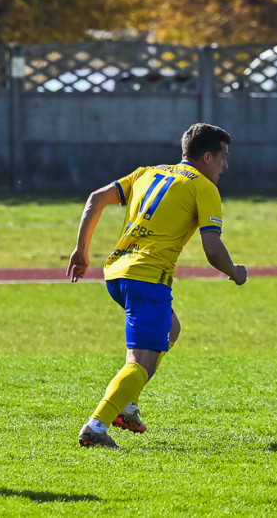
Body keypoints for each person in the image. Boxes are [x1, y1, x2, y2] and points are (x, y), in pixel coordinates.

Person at [66, 123, 247, 449]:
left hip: (117, 273)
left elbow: (96, 198)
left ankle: (128, 406)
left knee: (171, 329)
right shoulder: (203, 187)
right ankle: (96, 426)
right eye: (223, 158)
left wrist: (81, 250)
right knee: (141, 362)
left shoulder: (148, 172)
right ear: (207, 158)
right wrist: (235, 272)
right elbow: (213, 250)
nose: (226, 166)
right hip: (147, 280)